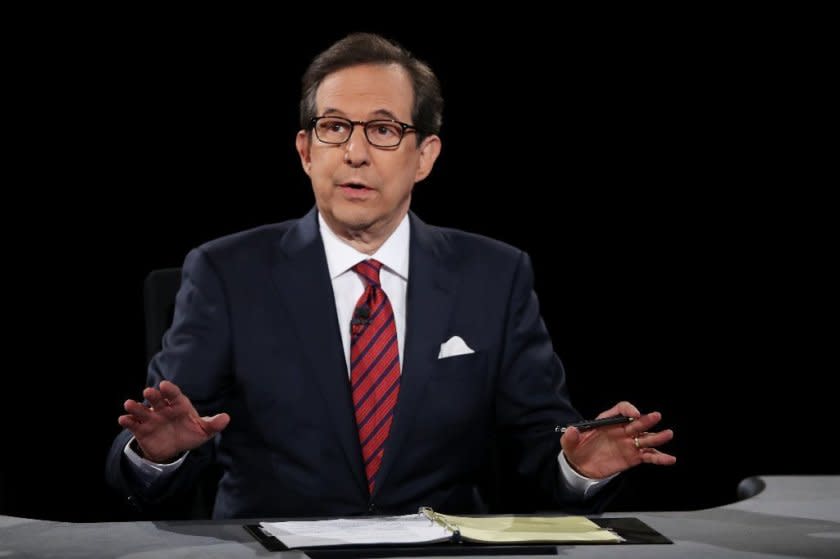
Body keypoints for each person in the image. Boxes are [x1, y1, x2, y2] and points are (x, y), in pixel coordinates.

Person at [106, 32, 675, 520]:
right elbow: (165, 442)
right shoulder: (227, 273)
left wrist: (577, 466)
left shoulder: (494, 275)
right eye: (333, 128)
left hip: (443, 554)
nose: (354, 153)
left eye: (382, 130)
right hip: (275, 552)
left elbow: (540, 440)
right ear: (306, 151)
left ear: (425, 155)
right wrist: (159, 453)